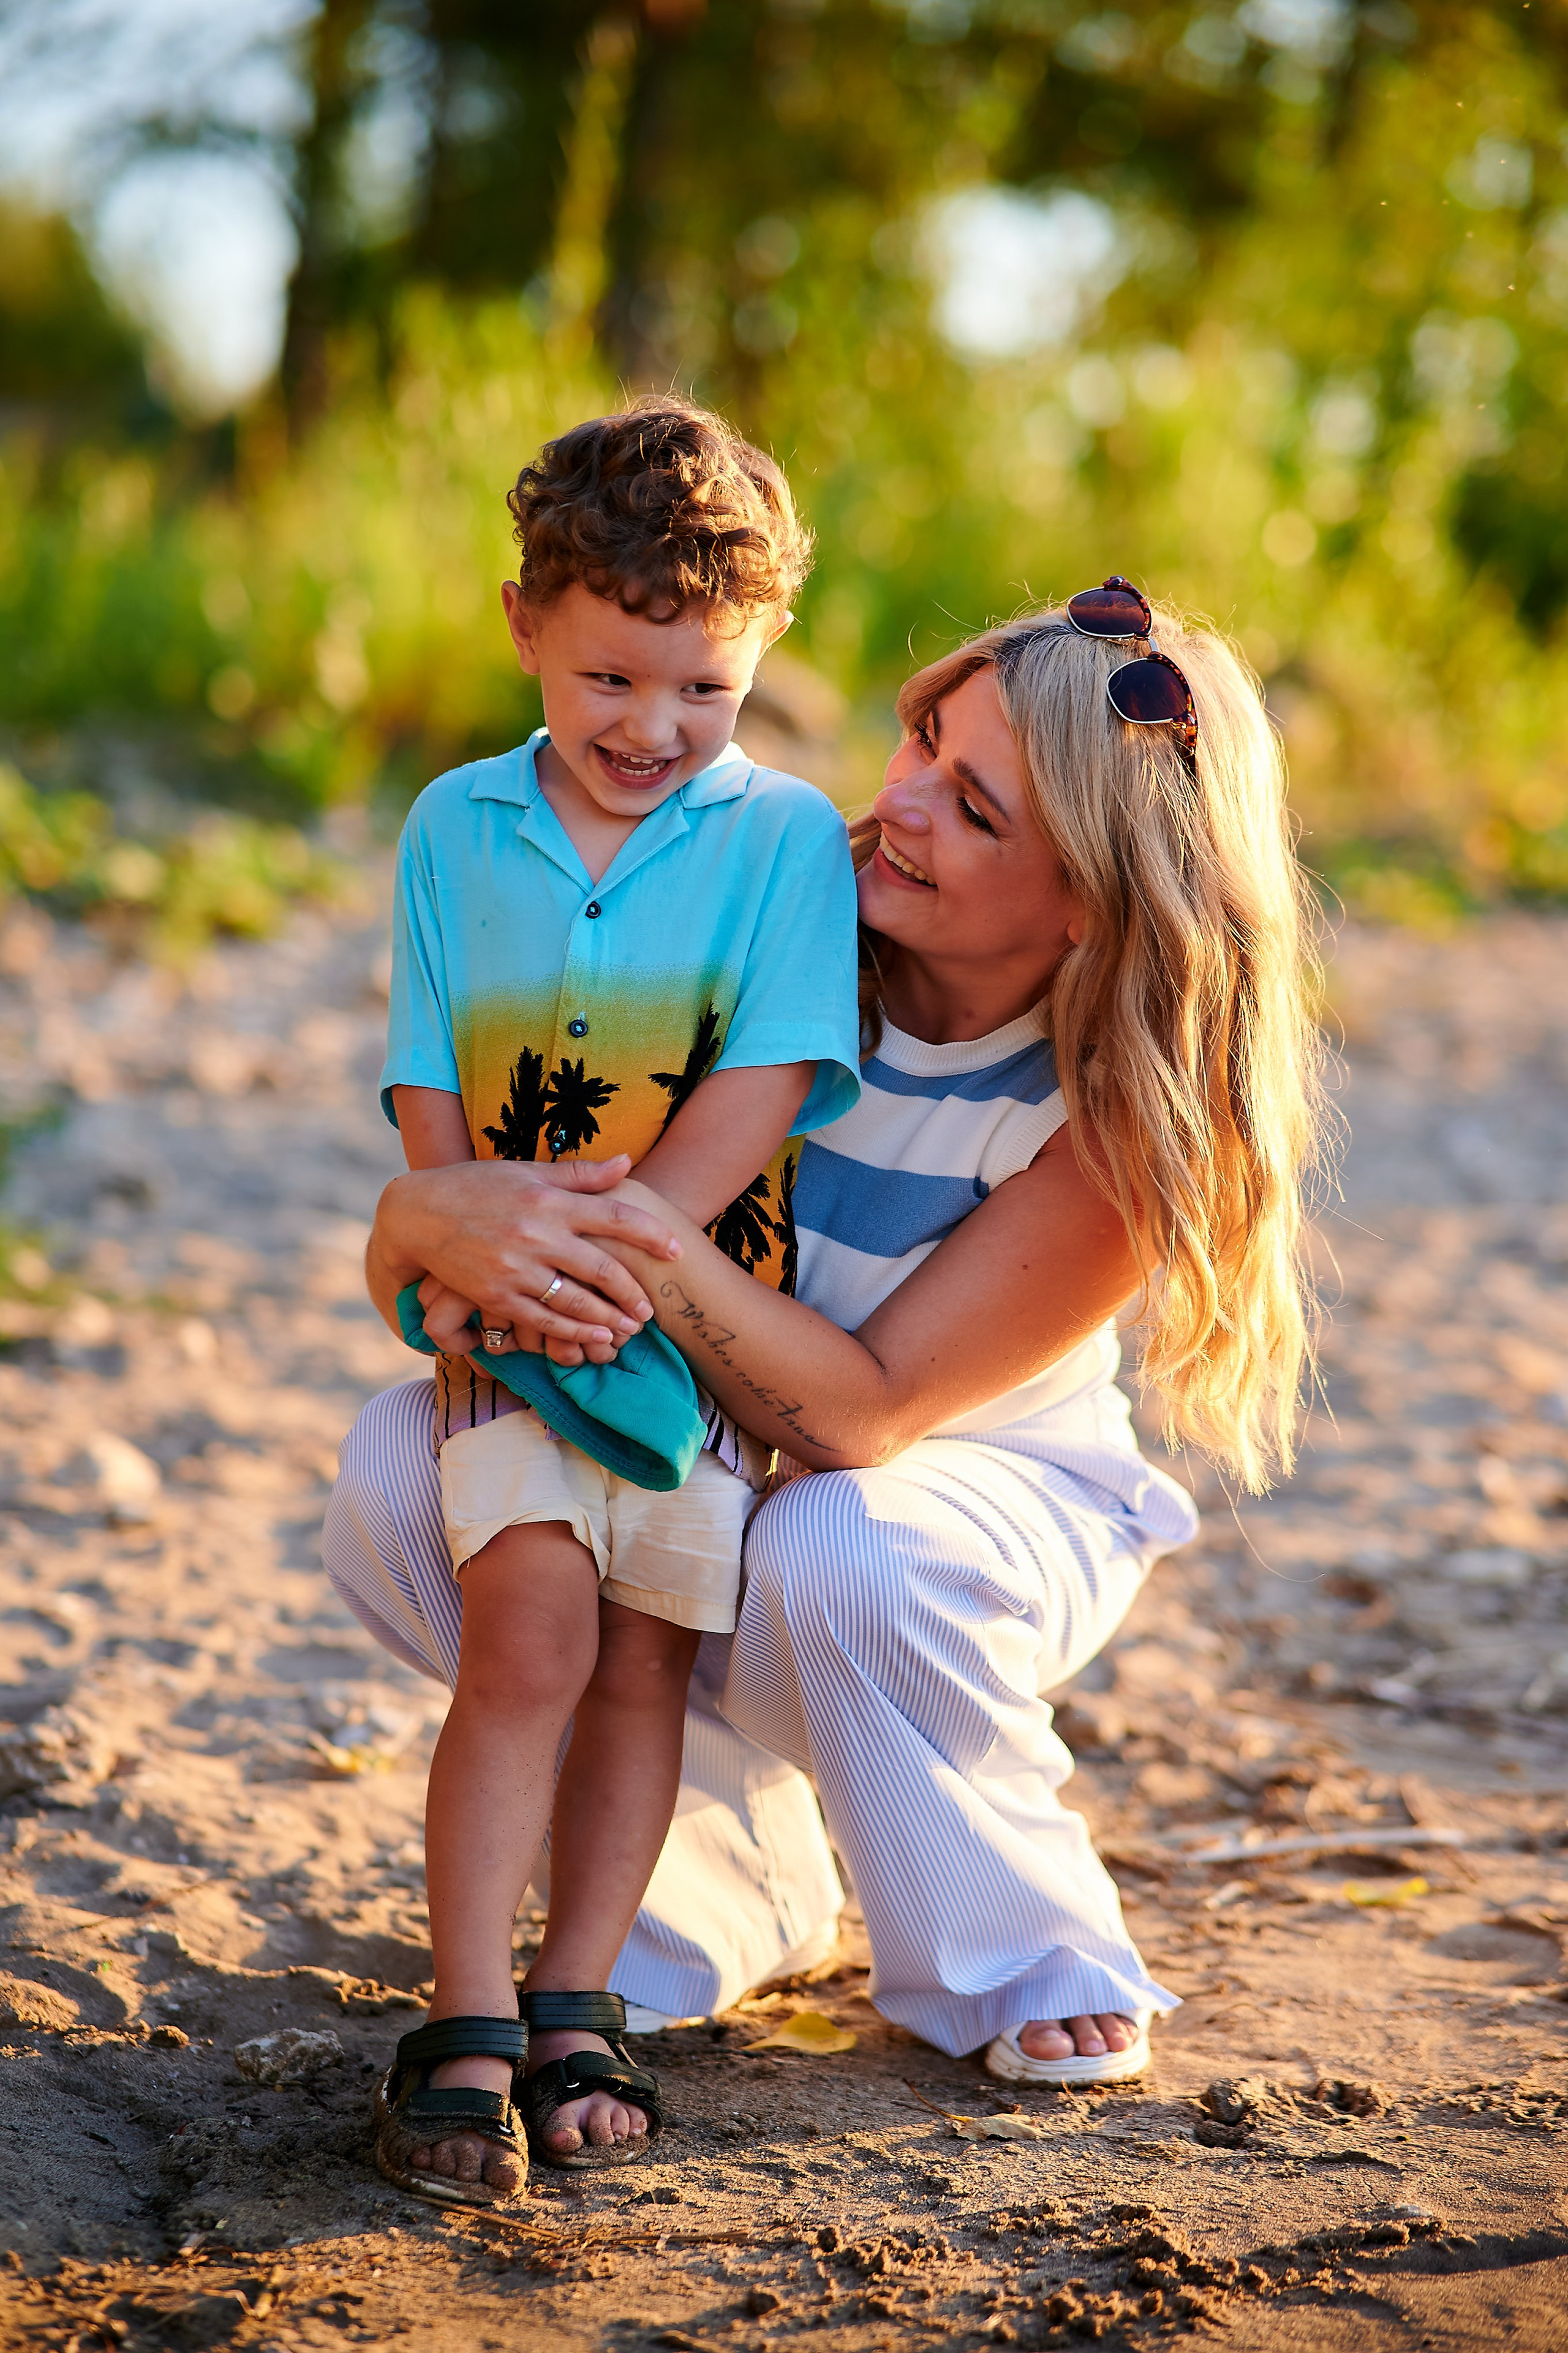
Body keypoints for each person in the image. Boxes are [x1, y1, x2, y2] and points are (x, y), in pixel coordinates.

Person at [328, 575, 1321, 2195]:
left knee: (835, 1546)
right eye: (925, 743)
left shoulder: (1118, 1124)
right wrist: (418, 1228)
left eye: (974, 806)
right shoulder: (779, 921)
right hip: (718, 1457)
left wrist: (625, 1238)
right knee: (403, 1468)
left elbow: (860, 1419)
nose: (901, 798)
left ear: (1087, 901)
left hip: (959, 1514)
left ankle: (1015, 1932)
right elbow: (471, 1212)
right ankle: (730, 1859)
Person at [367, 399, 861, 2207]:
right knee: (530, 1645)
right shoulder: (455, 826)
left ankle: (579, 1998)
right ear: (526, 627)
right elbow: (429, 1081)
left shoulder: (785, 838)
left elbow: (775, 1074)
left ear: (766, 653)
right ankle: (466, 2012)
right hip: (512, 1328)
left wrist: (632, 1243)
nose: (654, 726)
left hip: (688, 1335)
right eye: (610, 679)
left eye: (705, 688)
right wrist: (471, 1249)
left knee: (646, 1660)